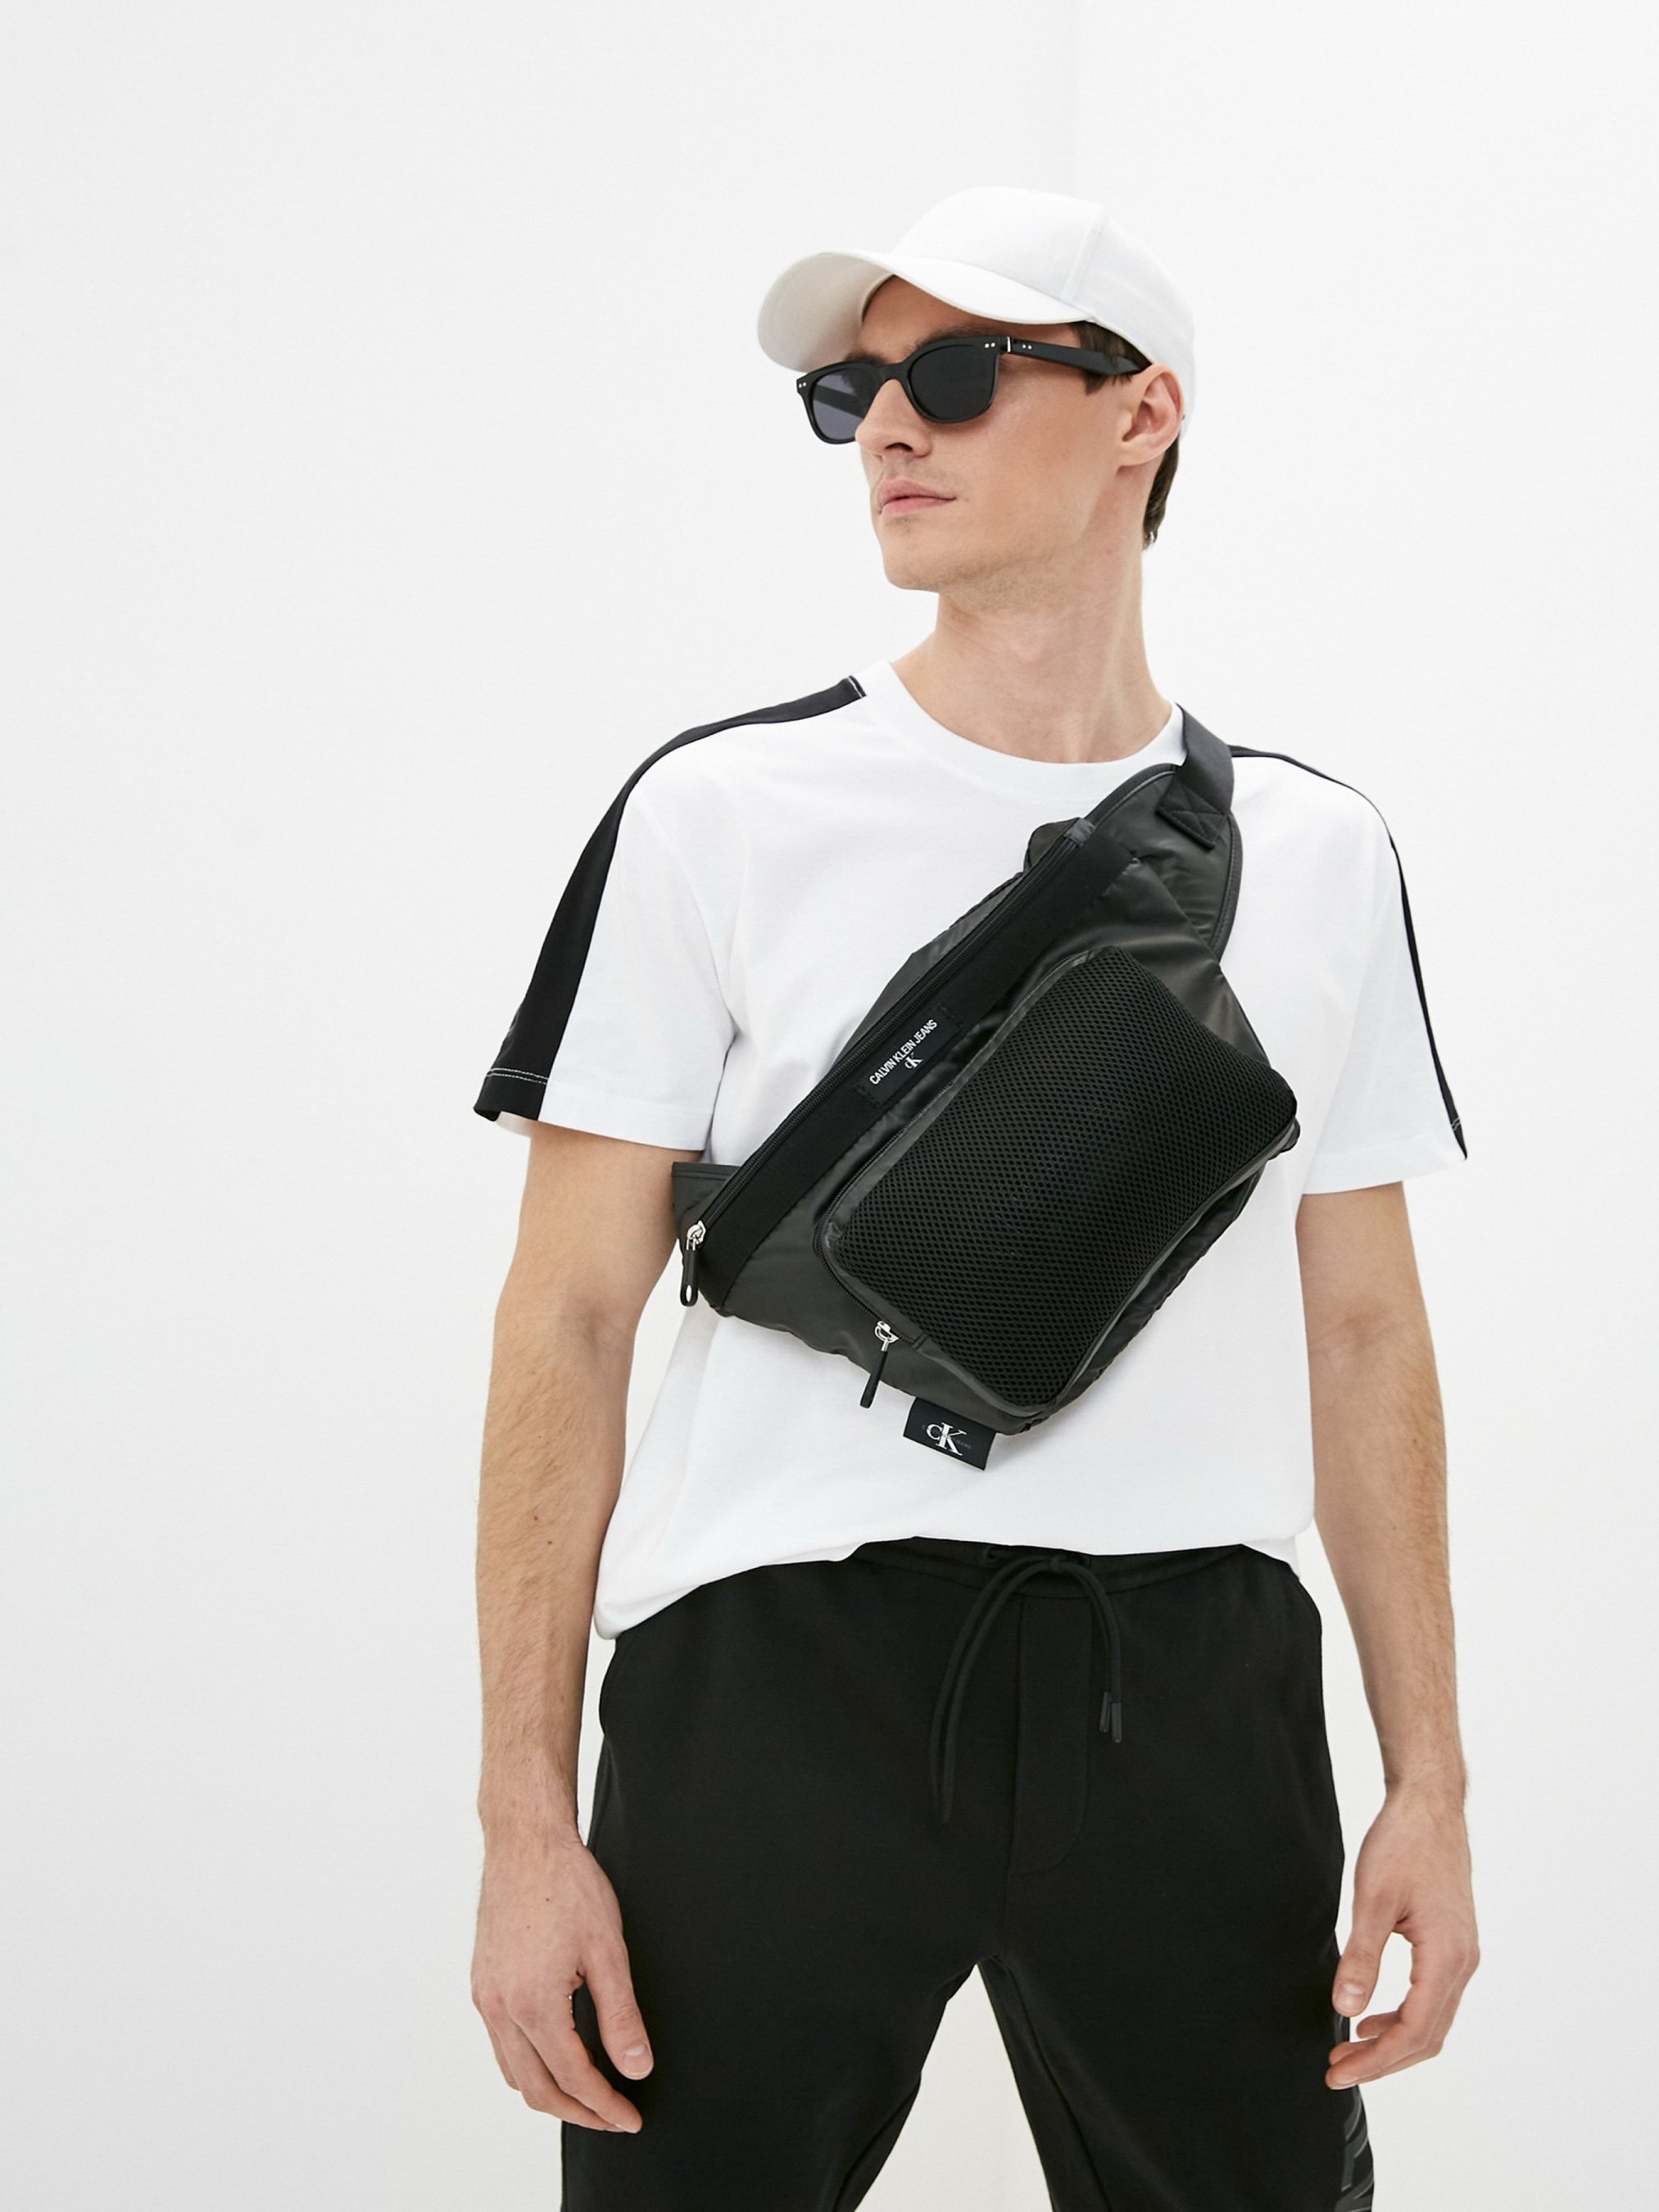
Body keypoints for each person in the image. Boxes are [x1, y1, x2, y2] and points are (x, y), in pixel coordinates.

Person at [467, 186, 1478, 2211]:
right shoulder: (719, 812)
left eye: (947, 374)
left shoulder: (1318, 854)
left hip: (1186, 1678)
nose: (883, 431)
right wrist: (522, 1820)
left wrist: (1428, 1781)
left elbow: (1363, 1325)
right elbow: (567, 1315)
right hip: (777, 1664)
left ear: (1140, 416)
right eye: (848, 392)